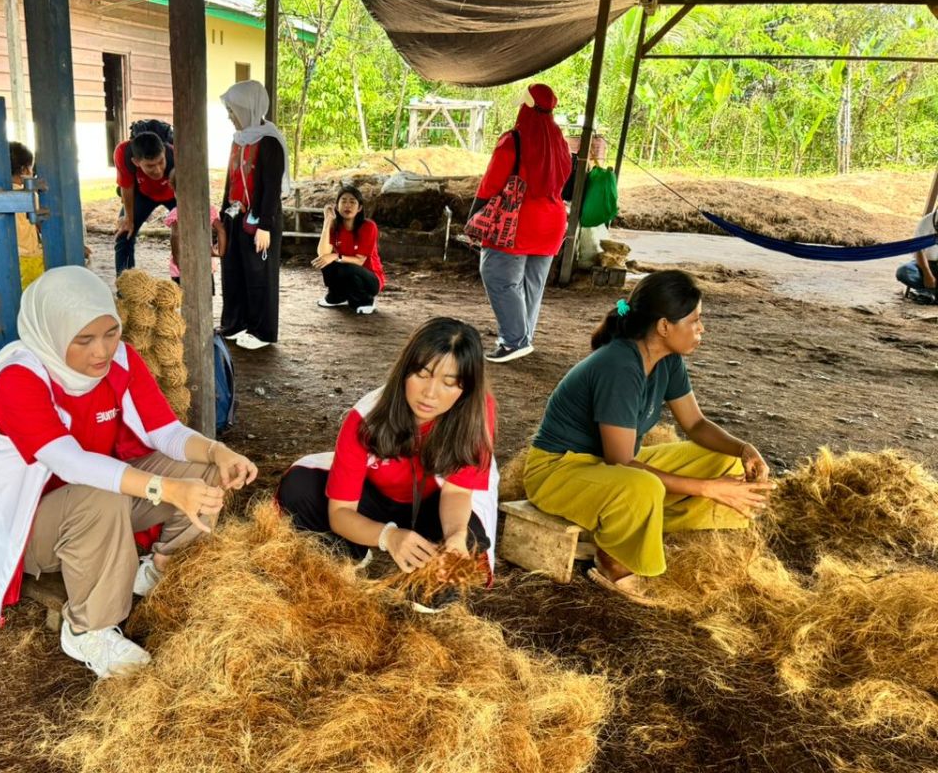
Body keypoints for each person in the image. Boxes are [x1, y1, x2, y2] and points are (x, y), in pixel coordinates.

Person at [0, 266, 258, 678]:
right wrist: (165, 488)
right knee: (99, 494)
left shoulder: (120, 360)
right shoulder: (18, 380)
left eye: (110, 333)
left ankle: (158, 570)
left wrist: (217, 450)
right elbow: (70, 462)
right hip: (32, 529)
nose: (101, 351)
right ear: (50, 333)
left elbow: (165, 431)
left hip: (99, 507)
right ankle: (88, 629)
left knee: (203, 470)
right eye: (83, 340)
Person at [521, 270, 773, 606]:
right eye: (695, 320)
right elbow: (622, 463)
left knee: (723, 458)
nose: (702, 329)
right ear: (665, 327)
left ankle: (645, 527)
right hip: (558, 472)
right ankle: (612, 559)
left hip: (604, 471)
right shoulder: (620, 366)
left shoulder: (668, 361)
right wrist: (707, 488)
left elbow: (696, 425)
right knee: (644, 487)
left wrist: (745, 449)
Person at [277, 317, 500, 610]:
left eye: (449, 383)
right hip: (379, 499)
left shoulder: (476, 414)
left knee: (458, 556)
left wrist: (455, 537)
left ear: (466, 390)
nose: (430, 394)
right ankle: (353, 546)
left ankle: (432, 559)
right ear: (404, 370)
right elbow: (341, 511)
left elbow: (457, 492)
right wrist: (387, 536)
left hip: (438, 504)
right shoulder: (366, 418)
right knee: (299, 488)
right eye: (422, 374)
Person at [470, 82, 571, 364]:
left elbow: (491, 184)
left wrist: (474, 214)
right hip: (553, 221)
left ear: (525, 106)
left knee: (498, 276)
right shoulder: (559, 141)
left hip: (518, 221)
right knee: (532, 284)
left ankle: (514, 340)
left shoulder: (514, 139)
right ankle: (523, 336)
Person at [218, 80, 289, 351]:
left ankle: (262, 330)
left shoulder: (269, 142)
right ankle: (235, 323)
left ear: (248, 109)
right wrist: (223, 218)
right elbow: (231, 180)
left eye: (233, 111)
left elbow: (271, 187)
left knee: (259, 274)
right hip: (235, 217)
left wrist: (265, 226)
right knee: (233, 270)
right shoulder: (238, 139)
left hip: (260, 219)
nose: (230, 117)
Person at [313, 185, 384, 315]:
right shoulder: (336, 227)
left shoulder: (368, 226)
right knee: (325, 261)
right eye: (343, 201)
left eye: (352, 202)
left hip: (370, 280)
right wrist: (327, 222)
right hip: (348, 275)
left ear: (360, 208)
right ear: (337, 206)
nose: (348, 205)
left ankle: (366, 301)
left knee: (346, 267)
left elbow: (360, 261)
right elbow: (322, 254)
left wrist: (336, 256)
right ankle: (337, 296)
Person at [114, 130, 176, 276]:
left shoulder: (176, 153)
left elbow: (186, 189)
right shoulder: (123, 153)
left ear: (164, 152)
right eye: (150, 166)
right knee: (124, 234)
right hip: (142, 193)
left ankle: (184, 286)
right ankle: (127, 288)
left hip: (174, 192)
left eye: (161, 162)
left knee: (188, 234)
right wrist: (128, 219)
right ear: (136, 162)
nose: (158, 169)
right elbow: (126, 186)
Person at [163, 170, 225, 287]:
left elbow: (175, 235)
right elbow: (221, 230)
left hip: (181, 270)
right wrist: (219, 252)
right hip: (205, 265)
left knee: (183, 300)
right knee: (205, 298)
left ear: (175, 190)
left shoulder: (176, 213)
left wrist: (178, 261)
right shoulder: (209, 210)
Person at [9, 141, 45, 290]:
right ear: (23, 170)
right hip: (31, 257)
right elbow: (40, 224)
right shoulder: (28, 196)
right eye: (30, 168)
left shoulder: (2, 193)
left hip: (14, 257)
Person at [895, 210, 938, 304]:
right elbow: (919, 250)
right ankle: (927, 293)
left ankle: (927, 294)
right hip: (925, 264)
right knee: (904, 271)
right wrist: (927, 274)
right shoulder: (926, 222)